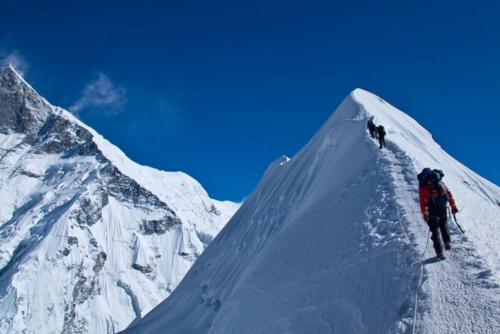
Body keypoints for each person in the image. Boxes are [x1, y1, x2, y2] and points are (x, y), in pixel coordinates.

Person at [418, 168, 459, 260]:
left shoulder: (422, 184)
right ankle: (447, 242)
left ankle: (439, 252)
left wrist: (424, 212)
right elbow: (448, 192)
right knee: (443, 224)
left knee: (435, 228)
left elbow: (421, 199)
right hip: (442, 206)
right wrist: (453, 205)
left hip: (432, 208)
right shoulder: (438, 180)